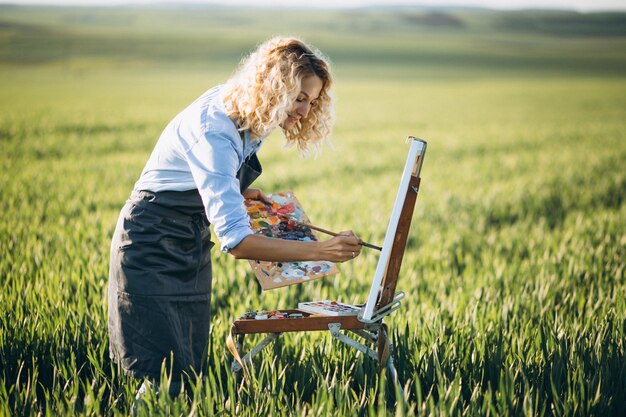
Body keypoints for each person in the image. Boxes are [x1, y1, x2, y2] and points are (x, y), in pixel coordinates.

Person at [107, 36, 362, 400]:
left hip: (189, 241)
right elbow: (239, 244)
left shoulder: (247, 111)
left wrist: (236, 193)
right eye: (300, 98)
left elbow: (196, 176)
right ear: (275, 88)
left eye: (313, 101)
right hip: (151, 245)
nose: (306, 112)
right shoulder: (216, 128)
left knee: (187, 370)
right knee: (164, 376)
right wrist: (322, 250)